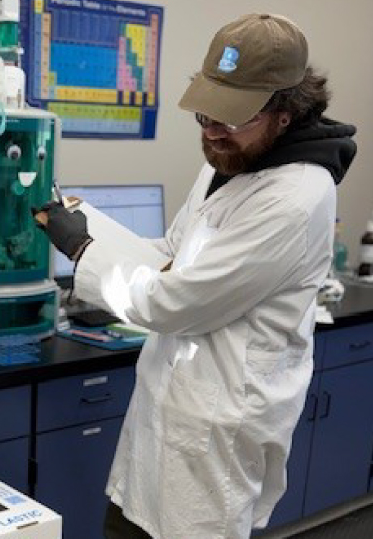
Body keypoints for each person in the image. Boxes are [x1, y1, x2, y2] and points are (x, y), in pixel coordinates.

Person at [35, 13, 356, 539]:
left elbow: (173, 301)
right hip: (162, 422)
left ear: (284, 112)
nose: (211, 132)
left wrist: (82, 248)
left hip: (214, 446)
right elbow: (170, 255)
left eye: (228, 119)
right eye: (204, 115)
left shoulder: (296, 197)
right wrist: (86, 220)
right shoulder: (228, 161)